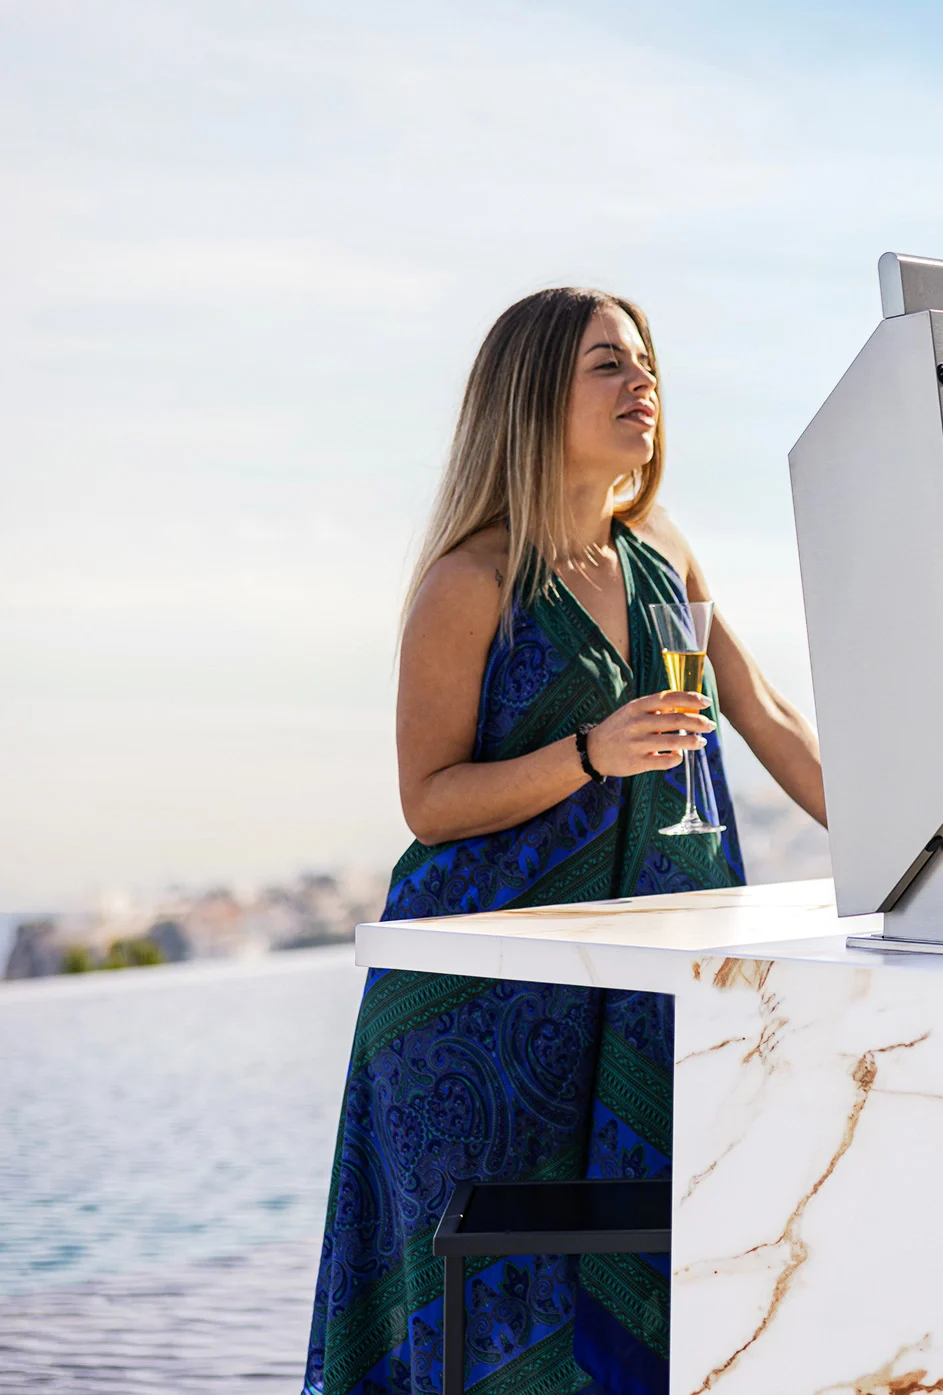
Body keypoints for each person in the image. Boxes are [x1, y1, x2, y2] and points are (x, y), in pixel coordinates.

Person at [304, 288, 828, 1395]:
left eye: (645, 364)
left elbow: (770, 720)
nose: (643, 384)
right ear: (534, 395)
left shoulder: (663, 556)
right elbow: (429, 801)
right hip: (481, 1012)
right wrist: (588, 752)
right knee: (495, 1316)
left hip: (646, 981)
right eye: (607, 365)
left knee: (660, 1281)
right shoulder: (472, 580)